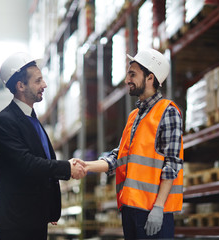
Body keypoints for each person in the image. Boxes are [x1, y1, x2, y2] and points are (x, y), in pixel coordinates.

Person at [79, 48, 184, 239]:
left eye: (132, 74)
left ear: (150, 78)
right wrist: (86, 166)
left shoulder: (167, 112)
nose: (127, 80)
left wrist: (159, 207)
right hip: (130, 209)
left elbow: (172, 164)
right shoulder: (134, 116)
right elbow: (119, 158)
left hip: (153, 211)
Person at [0, 52, 87, 240]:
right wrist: (67, 167)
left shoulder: (32, 120)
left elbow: (44, 162)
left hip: (34, 218)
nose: (44, 85)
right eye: (38, 81)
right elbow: (26, 164)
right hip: (17, 222)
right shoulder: (4, 122)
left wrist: (51, 208)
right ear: (20, 86)